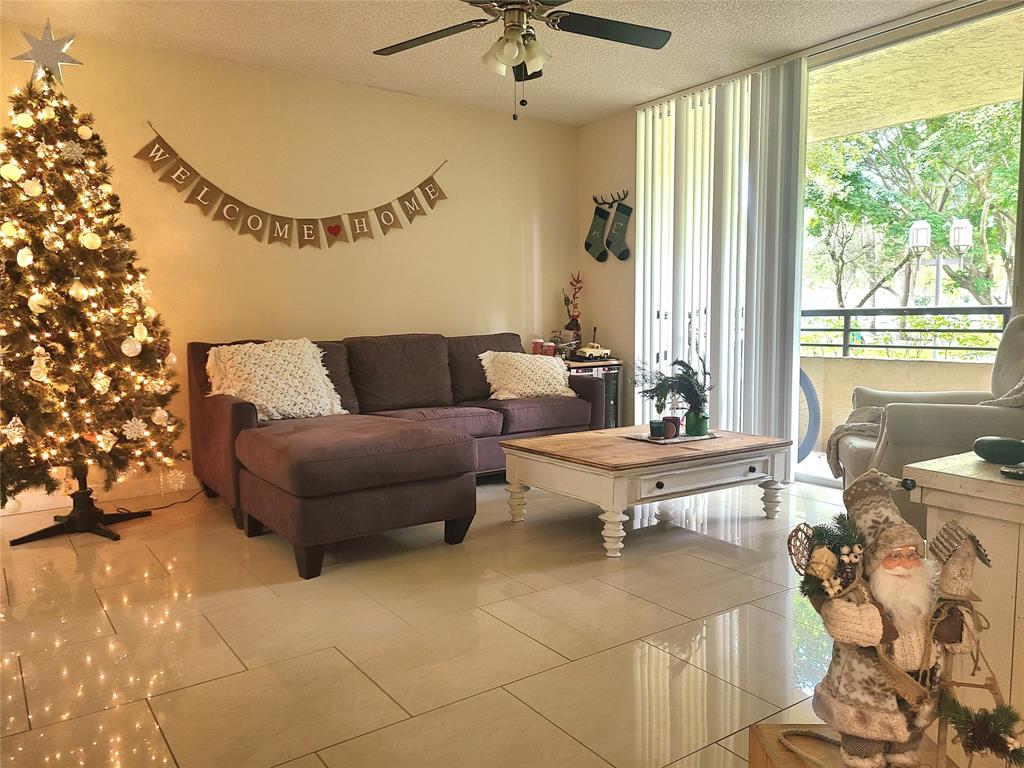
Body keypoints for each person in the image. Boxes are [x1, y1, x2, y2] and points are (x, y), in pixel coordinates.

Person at [811, 470, 975, 768]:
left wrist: (957, 626)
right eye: (894, 556)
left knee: (907, 743)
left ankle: (903, 759)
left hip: (918, 692)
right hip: (867, 697)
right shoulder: (859, 594)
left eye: (911, 554)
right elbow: (836, 618)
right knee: (865, 746)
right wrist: (873, 626)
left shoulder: (927, 590)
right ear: (874, 559)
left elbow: (954, 621)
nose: (904, 564)